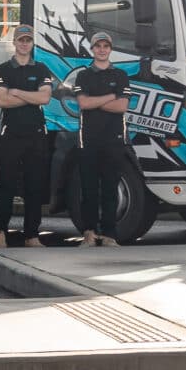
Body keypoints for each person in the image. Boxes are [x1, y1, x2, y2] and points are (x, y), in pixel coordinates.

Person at [68, 30, 132, 246]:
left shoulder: (121, 75)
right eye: (98, 46)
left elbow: (122, 107)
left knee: (110, 189)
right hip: (88, 140)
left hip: (114, 140)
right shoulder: (84, 75)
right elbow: (83, 104)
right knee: (88, 189)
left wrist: (96, 101)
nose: (102, 50)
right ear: (92, 49)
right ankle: (88, 233)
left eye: (105, 46)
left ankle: (109, 235)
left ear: (110, 49)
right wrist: (111, 96)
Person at [0, 25, 52, 248]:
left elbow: (45, 98)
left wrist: (16, 92)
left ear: (32, 43)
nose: (24, 44)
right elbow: (2, 101)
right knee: (6, 186)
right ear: (14, 43)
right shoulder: (3, 70)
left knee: (34, 186)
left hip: (36, 135)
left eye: (28, 40)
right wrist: (31, 96)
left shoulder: (42, 68)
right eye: (21, 40)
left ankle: (32, 236)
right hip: (11, 135)